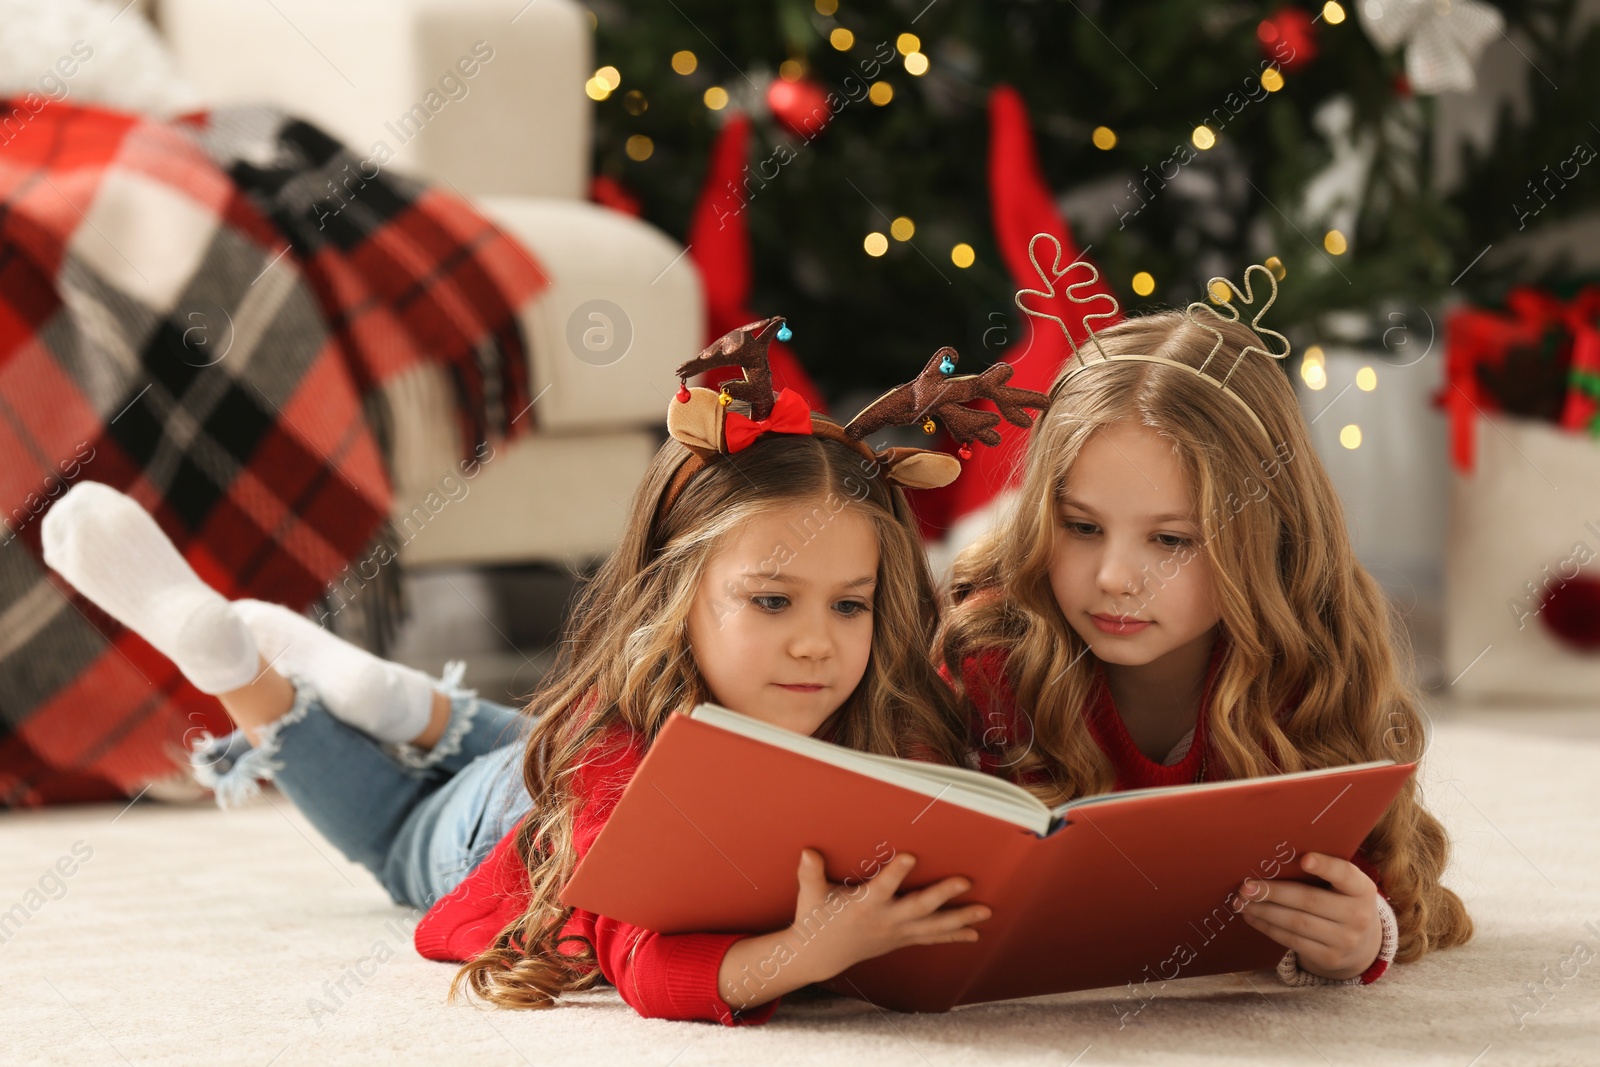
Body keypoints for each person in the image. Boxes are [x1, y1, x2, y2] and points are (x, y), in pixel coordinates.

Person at [40, 318, 1043, 1025]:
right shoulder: (625, 769)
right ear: (674, 596)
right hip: (499, 830)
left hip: (544, 751)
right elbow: (645, 964)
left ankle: (408, 698)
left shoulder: (874, 713)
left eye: (849, 603)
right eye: (772, 600)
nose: (818, 642)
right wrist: (801, 955)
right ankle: (232, 664)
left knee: (533, 740)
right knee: (392, 830)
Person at [940, 264, 1474, 989]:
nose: (1115, 577)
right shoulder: (992, 646)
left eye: (1171, 540)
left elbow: (1378, 878)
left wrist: (1360, 935)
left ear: (1266, 536)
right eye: (1082, 526)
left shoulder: (1310, 660)